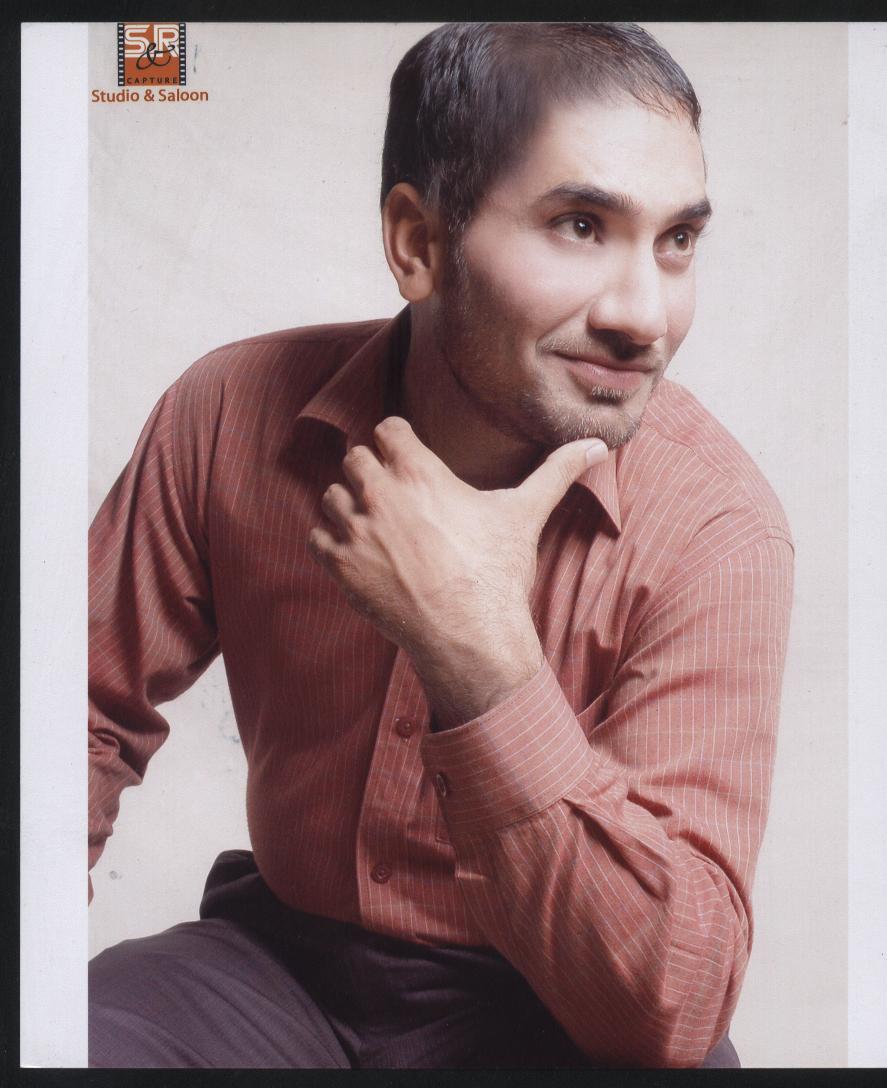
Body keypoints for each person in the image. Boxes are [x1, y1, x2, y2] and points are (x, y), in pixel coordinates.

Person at [88, 21, 794, 1069]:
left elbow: (669, 1005)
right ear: (418, 242)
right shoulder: (227, 412)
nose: (645, 317)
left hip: (561, 1013)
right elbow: (72, 721)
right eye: (581, 226)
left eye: (677, 240)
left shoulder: (716, 526)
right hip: (277, 970)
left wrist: (474, 644)